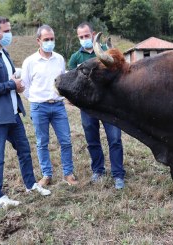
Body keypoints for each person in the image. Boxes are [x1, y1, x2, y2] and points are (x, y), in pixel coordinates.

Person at [0, 16, 51, 208]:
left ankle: (31, 184)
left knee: (24, 150)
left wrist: (16, 84)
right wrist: (10, 85)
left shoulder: (4, 54)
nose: (9, 34)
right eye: (6, 31)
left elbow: (7, 80)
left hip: (13, 113)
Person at [68, 22, 125, 189]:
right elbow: (72, 83)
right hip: (87, 107)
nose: (84, 39)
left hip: (108, 105)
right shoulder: (75, 58)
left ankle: (118, 174)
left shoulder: (107, 53)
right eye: (81, 37)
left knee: (114, 139)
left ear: (93, 35)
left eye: (87, 35)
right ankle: (98, 170)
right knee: (92, 140)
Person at [21, 25, 78, 186]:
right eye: (46, 39)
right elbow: (25, 85)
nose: (50, 42)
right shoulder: (30, 62)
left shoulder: (59, 59)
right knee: (42, 142)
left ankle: (68, 173)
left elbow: (63, 82)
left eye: (52, 39)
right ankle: (47, 175)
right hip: (39, 107)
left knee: (66, 141)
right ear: (38, 41)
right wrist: (34, 99)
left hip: (58, 106)